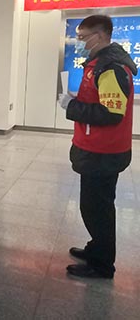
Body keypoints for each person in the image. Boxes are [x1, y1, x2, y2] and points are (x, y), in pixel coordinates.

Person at [58, 15, 136, 279]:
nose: (78, 42)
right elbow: (98, 101)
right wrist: (76, 100)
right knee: (93, 205)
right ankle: (96, 248)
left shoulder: (111, 68)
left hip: (104, 151)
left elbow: (111, 113)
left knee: (98, 209)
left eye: (82, 37)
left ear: (100, 36)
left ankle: (102, 265)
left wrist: (72, 106)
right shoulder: (98, 65)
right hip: (95, 148)